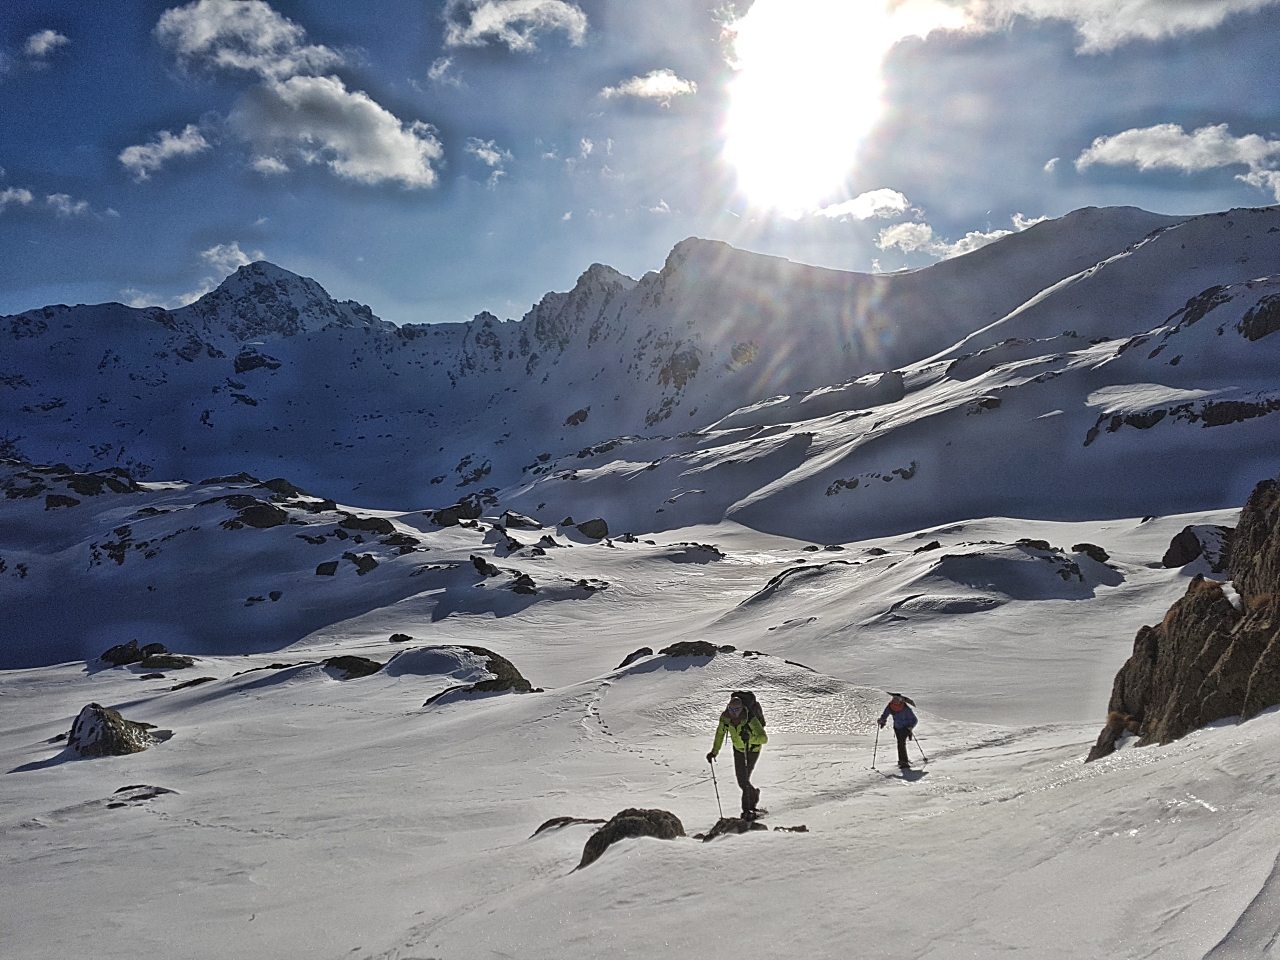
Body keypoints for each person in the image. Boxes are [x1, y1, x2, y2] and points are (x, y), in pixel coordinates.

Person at [707, 695, 768, 818]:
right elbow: (720, 734)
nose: (732, 713)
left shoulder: (750, 719)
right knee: (741, 780)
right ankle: (753, 796)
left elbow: (763, 738)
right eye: (730, 709)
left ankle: (747, 810)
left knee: (744, 780)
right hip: (738, 750)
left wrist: (749, 739)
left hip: (752, 750)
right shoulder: (725, 718)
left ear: (741, 709)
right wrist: (714, 752)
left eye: (735, 710)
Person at [878, 693, 918, 769]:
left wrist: (911, 726)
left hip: (906, 727)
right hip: (897, 727)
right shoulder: (890, 706)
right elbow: (885, 715)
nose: (895, 701)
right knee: (900, 742)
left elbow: (914, 719)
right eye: (894, 699)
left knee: (901, 742)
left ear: (900, 700)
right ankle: (902, 760)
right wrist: (882, 720)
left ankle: (903, 762)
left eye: (897, 699)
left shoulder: (906, 708)